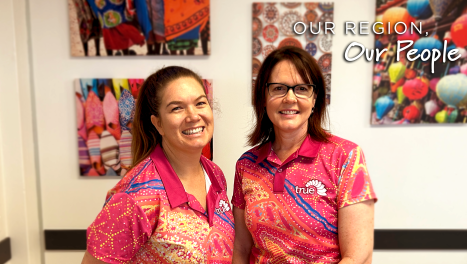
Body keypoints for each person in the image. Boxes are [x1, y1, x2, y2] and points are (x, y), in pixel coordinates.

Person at [232, 46, 377, 263]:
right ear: (263, 97)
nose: (290, 98)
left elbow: (357, 256)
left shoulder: (345, 156)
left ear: (315, 97)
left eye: (301, 88)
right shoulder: (247, 165)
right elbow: (241, 249)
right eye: (279, 88)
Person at [81, 66, 234, 263]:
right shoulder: (135, 196)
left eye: (200, 103)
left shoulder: (214, 174)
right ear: (158, 123)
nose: (193, 115)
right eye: (177, 108)